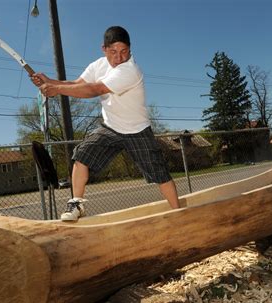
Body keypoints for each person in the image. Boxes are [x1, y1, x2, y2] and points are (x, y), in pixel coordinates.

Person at [31, 26, 180, 221]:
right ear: (104, 49)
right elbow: (78, 84)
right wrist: (49, 81)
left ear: (130, 49)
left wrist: (56, 89)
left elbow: (95, 89)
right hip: (111, 127)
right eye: (113, 52)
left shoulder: (130, 70)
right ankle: (76, 204)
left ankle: (179, 212)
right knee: (82, 155)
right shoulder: (98, 65)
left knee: (159, 173)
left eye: (124, 51)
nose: (119, 58)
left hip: (137, 129)